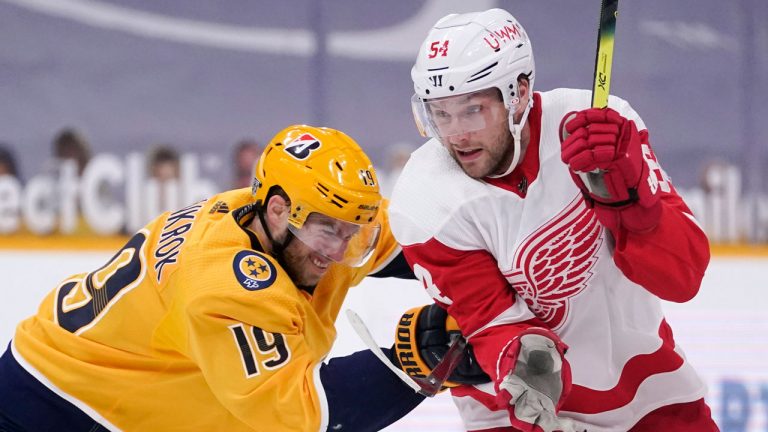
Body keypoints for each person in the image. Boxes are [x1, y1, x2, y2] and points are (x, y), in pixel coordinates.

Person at [388, 8, 718, 432]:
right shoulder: (424, 197)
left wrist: (631, 201)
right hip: (509, 412)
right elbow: (491, 320)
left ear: (519, 93)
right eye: (440, 114)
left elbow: (684, 278)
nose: (455, 134)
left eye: (471, 110)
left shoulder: (602, 127)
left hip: (648, 394)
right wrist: (524, 362)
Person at [0, 125, 432, 431]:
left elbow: (417, 245)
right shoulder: (224, 286)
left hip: (113, 384)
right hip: (58, 407)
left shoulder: (289, 214)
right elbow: (303, 416)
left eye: (353, 232)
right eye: (329, 231)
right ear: (279, 210)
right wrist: (424, 355)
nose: (340, 251)